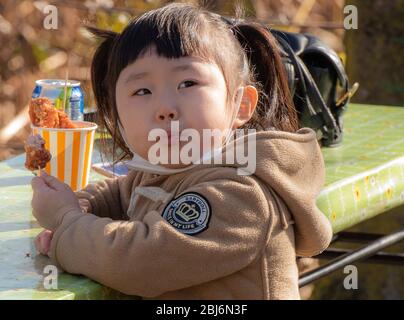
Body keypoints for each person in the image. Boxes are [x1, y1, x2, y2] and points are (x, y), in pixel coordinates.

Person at [31, 2, 332, 299]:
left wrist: (68, 223)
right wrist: (82, 205)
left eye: (187, 83)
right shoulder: (171, 169)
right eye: (142, 91)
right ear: (116, 114)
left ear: (241, 105)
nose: (165, 108)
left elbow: (141, 262)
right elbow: (125, 191)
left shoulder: (242, 192)